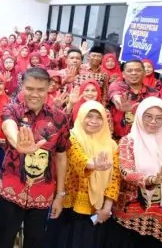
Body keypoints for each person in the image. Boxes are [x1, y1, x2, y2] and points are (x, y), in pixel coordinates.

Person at [0, 67, 70, 248]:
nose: (34, 94)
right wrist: (17, 143)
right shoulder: (12, 109)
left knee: (35, 242)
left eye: (40, 90)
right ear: (22, 86)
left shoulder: (59, 118)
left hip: (42, 193)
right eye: (29, 88)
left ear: (48, 89)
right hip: (11, 190)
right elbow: (8, 126)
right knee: (4, 239)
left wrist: (60, 195)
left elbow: (61, 157)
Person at [106, 97, 162, 247]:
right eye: (148, 116)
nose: (153, 121)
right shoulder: (128, 142)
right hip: (130, 214)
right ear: (139, 116)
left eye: (159, 118)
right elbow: (126, 172)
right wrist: (152, 180)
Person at [45, 100, 120, 248]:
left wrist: (107, 207)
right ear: (80, 117)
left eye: (99, 117)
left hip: (96, 209)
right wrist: (93, 165)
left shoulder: (112, 145)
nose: (94, 121)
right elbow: (78, 159)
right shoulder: (71, 138)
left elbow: (115, 178)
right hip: (69, 206)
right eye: (89, 116)